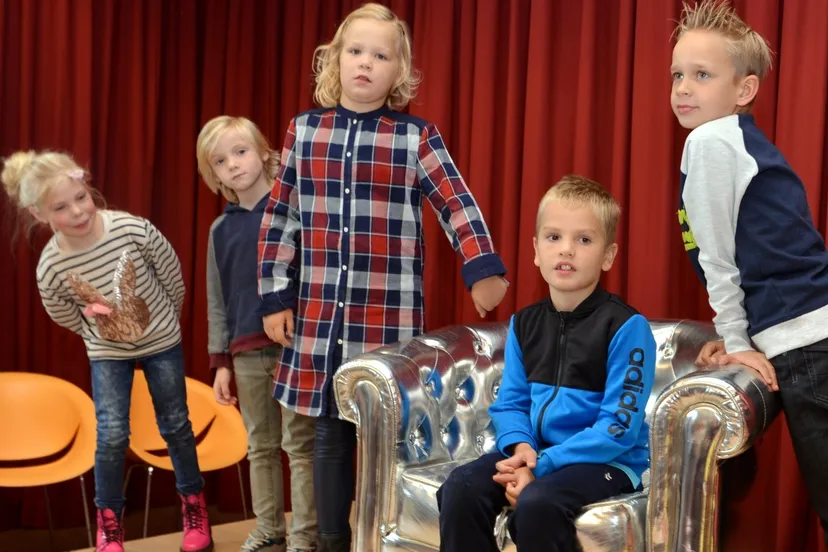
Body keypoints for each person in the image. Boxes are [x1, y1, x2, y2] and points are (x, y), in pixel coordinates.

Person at [256, 3, 509, 550]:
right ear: (334, 61)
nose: (365, 63)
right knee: (327, 433)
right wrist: (275, 293)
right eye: (355, 51)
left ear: (400, 72)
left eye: (381, 55)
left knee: (381, 436)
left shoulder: (415, 137)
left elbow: (456, 203)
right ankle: (330, 539)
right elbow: (281, 216)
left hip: (386, 317)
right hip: (321, 315)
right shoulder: (305, 131)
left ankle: (381, 536)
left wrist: (481, 265)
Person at [670, 0, 828, 542]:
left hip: (808, 343)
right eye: (678, 75)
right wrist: (733, 335)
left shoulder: (711, 142)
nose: (683, 88)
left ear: (744, 90)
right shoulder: (736, 142)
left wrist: (738, 341)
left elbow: (719, 256)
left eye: (702, 75)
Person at [1, 150, 212, 552]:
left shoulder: (131, 229)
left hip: (161, 341)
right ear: (38, 213)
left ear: (87, 187)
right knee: (112, 434)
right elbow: (60, 310)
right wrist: (94, 327)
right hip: (106, 351)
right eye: (61, 207)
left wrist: (164, 318)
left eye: (80, 197)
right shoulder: (52, 264)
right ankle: (109, 524)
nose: (78, 211)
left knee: (176, 425)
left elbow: (171, 275)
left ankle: (194, 508)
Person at [437, 175, 656, 552]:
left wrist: (541, 466)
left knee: (538, 504)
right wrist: (521, 448)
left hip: (608, 463)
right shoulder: (524, 323)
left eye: (583, 240)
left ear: (608, 255)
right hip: (537, 453)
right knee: (461, 487)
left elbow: (617, 429)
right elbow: (511, 403)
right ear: (536, 250)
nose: (566, 250)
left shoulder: (627, 328)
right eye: (554, 238)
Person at [196, 115, 317, 552]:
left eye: (241, 151)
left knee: (299, 446)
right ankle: (269, 528)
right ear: (213, 175)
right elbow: (217, 300)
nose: (233, 164)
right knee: (261, 447)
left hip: (294, 347)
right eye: (220, 160)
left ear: (265, 153)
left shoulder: (296, 212)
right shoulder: (219, 230)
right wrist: (220, 361)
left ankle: (305, 535)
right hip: (245, 353)